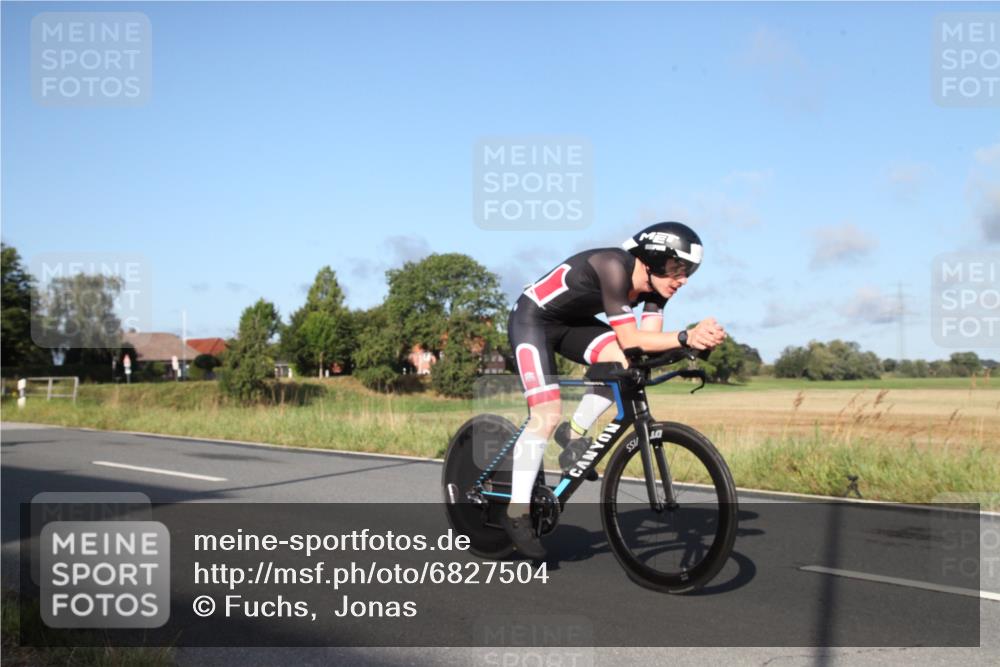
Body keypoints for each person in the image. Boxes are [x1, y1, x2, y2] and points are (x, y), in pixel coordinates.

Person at [502, 221, 726, 559]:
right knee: (546, 414)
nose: (682, 280)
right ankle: (516, 512)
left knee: (625, 364)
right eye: (677, 269)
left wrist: (695, 344)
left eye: (688, 272)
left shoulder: (656, 291)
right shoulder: (612, 266)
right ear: (653, 259)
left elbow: (644, 347)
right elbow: (633, 337)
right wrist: (685, 336)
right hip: (533, 320)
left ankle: (572, 434)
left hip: (572, 325)